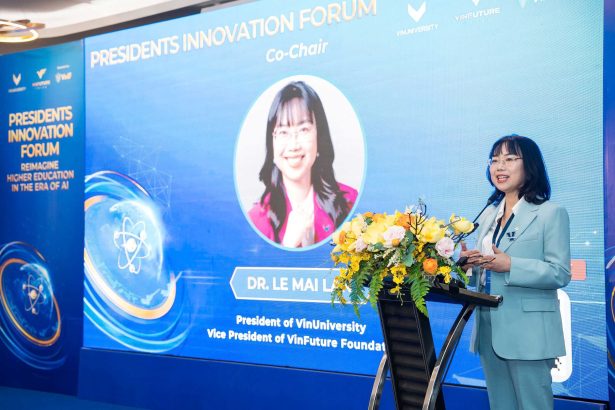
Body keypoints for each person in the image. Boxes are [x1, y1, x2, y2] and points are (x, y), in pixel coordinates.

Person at [460, 135, 571, 410]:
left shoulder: (550, 213)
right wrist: (468, 266)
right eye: (495, 160)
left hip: (529, 333)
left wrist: (511, 265)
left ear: (529, 165)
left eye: (510, 159)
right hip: (489, 328)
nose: (500, 166)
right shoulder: (488, 215)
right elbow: (486, 270)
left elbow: (559, 272)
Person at [248, 81, 357, 248]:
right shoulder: (256, 221)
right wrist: (288, 245)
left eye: (303, 130)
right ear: (272, 144)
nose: (293, 145)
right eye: (283, 132)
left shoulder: (350, 203)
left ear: (319, 136)